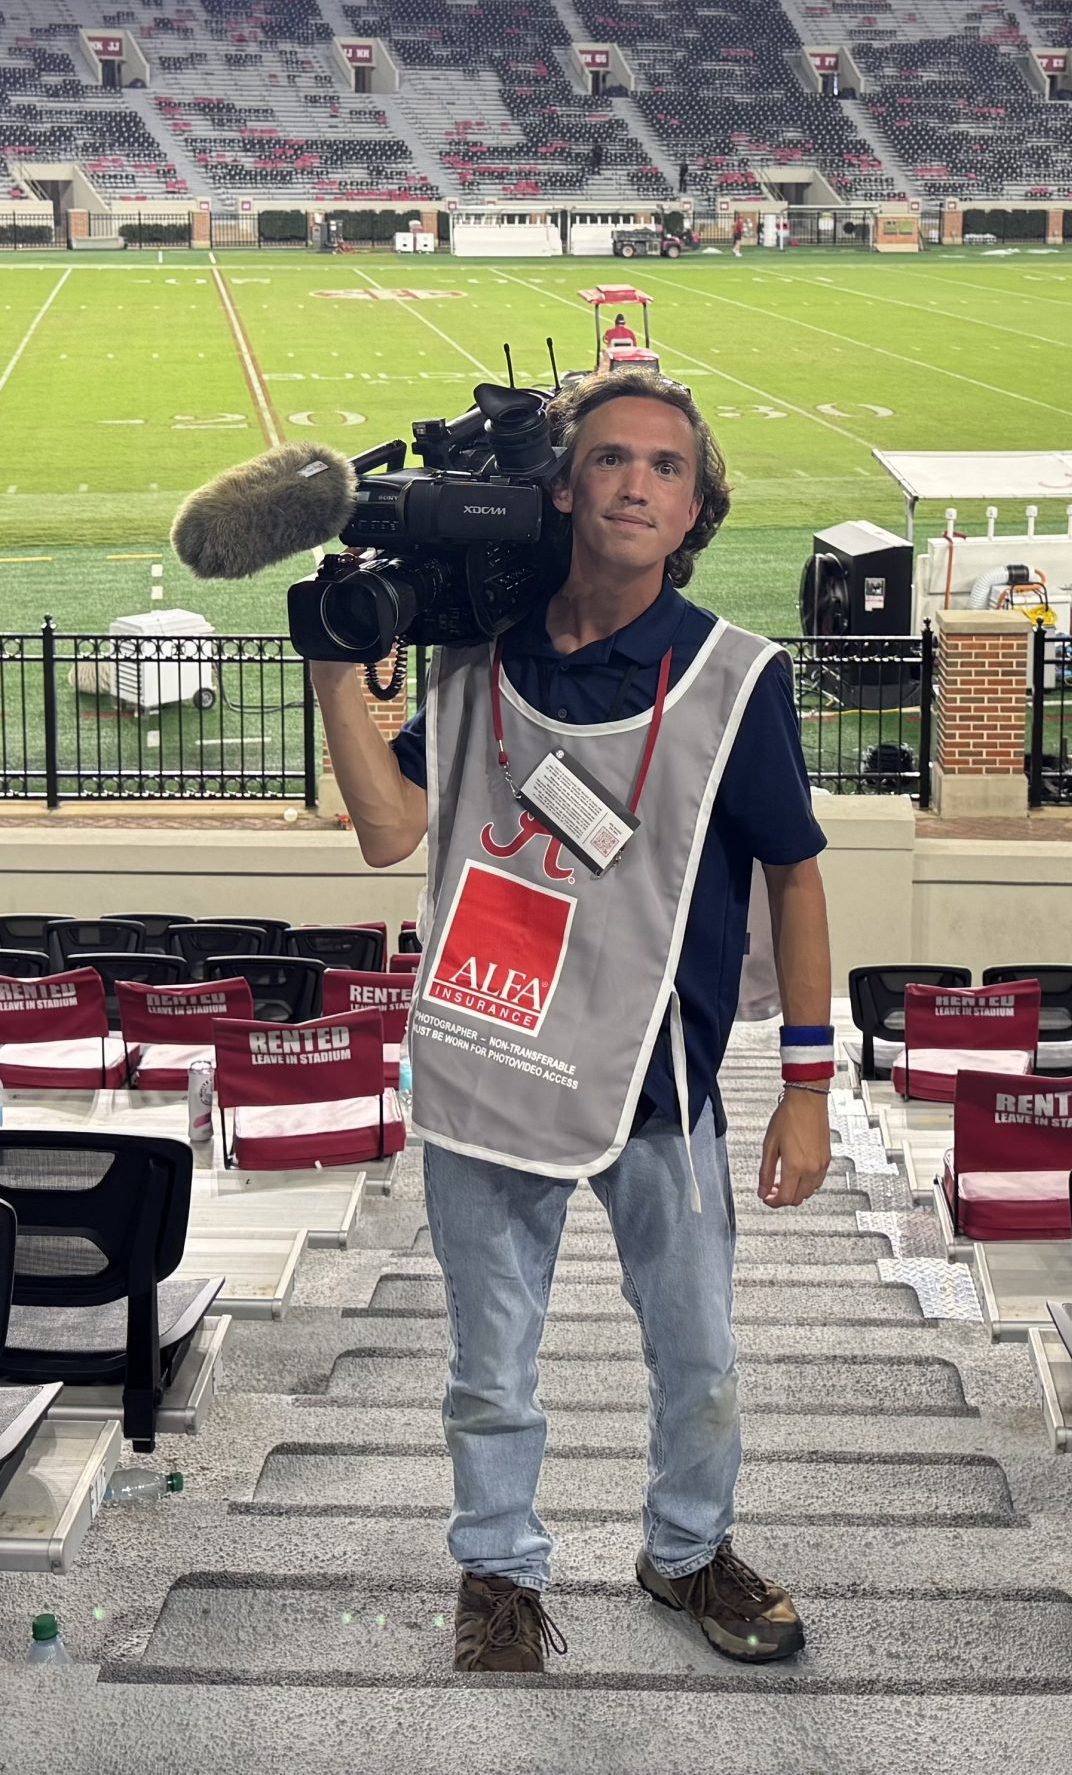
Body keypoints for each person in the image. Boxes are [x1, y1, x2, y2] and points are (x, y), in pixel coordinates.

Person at [311, 367, 832, 1676]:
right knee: (490, 1364)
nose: (636, 483)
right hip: (497, 1058)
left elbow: (796, 872)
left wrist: (809, 1084)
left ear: (694, 505)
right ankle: (496, 1570)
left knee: (701, 1358)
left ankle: (685, 1552)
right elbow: (387, 830)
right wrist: (331, 663)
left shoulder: (734, 677)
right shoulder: (478, 663)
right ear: (564, 487)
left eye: (665, 466)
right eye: (610, 459)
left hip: (658, 1076)